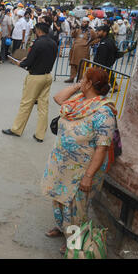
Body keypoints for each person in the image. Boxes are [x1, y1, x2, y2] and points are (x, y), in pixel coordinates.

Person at [42, 68, 116, 254]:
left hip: (81, 171)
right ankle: (62, 229)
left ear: (90, 83)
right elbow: (58, 98)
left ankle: (74, 244)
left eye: (84, 79)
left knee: (76, 209)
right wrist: (79, 86)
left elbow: (102, 147)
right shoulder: (79, 100)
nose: (81, 81)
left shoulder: (104, 112)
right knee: (59, 200)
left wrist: (88, 176)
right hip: (62, 165)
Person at [2, 23, 58, 143]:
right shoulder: (53, 43)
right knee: (43, 106)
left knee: (26, 104)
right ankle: (40, 135)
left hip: (36, 77)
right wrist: (27, 61)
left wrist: (21, 63)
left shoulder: (38, 43)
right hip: (47, 76)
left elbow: (30, 60)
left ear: (38, 31)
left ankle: (16, 129)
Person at [66, 17, 98, 83]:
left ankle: (80, 79)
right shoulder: (78, 29)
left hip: (83, 51)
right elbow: (73, 35)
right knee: (73, 64)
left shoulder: (91, 31)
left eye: (84, 22)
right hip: (74, 49)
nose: (83, 23)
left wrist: (90, 44)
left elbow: (97, 39)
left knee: (81, 65)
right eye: (82, 22)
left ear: (88, 23)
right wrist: (74, 29)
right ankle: (72, 77)